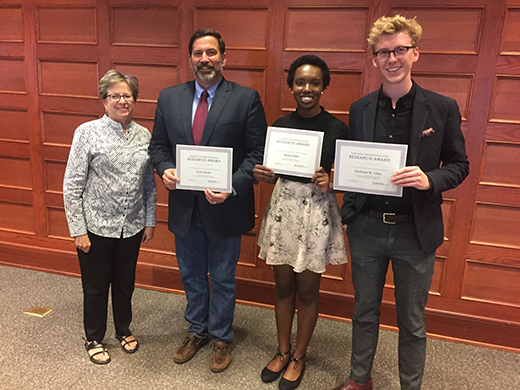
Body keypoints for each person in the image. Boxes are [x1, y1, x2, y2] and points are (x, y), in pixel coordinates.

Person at [333, 15, 469, 390]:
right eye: (383, 53)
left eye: (400, 50)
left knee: (412, 320)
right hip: (367, 229)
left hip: (415, 231)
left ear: (415, 54)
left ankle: (411, 385)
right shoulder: (360, 108)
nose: (392, 59)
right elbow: (351, 165)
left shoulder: (442, 108)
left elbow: (460, 165)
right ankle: (360, 379)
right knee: (363, 312)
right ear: (374, 59)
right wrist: (349, 215)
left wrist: (430, 179)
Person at [148, 28, 267, 372]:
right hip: (185, 207)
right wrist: (166, 169)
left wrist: (231, 185)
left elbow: (257, 153)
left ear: (223, 58)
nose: (205, 60)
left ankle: (221, 336)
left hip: (225, 206)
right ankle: (197, 330)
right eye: (198, 54)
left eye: (211, 53)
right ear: (190, 59)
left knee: (224, 276)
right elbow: (158, 146)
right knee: (191, 275)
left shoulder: (245, 98)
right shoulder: (170, 97)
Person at [254, 55, 349, 390]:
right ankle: (282, 351)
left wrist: (331, 180)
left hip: (316, 210)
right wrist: (264, 174)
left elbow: (347, 177)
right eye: (300, 82)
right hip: (284, 208)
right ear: (291, 84)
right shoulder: (279, 127)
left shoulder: (338, 128)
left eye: (314, 83)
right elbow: (274, 172)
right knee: (282, 286)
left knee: (307, 291)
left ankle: (299, 356)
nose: (306, 89)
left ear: (324, 86)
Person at [63, 70, 156, 364]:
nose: (122, 100)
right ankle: (93, 336)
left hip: (131, 226)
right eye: (115, 95)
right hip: (96, 227)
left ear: (134, 99)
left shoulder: (144, 135)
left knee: (125, 282)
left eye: (127, 95)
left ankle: (123, 329)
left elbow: (149, 184)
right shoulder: (87, 132)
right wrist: (78, 229)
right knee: (95, 286)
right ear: (103, 100)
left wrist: (150, 220)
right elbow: (72, 184)